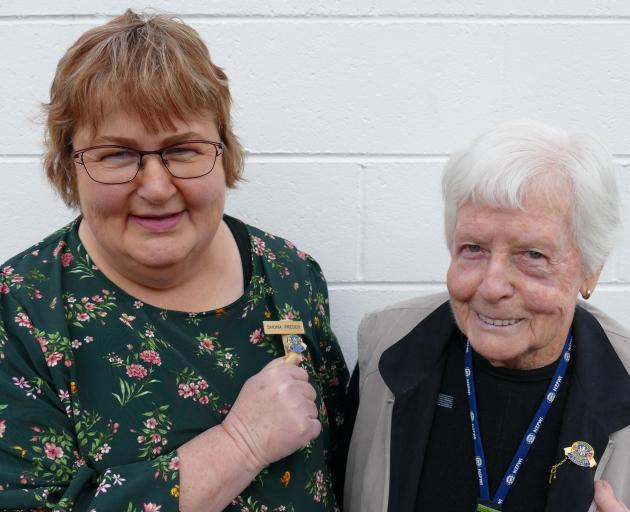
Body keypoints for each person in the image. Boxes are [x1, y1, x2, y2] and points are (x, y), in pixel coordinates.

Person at [0, 10, 348, 512]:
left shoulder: (290, 275)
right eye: (117, 155)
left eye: (182, 149)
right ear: (69, 165)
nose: (158, 188)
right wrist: (241, 444)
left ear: (222, 151)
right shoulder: (23, 311)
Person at [343, 121, 630, 511]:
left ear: (590, 271)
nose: (492, 287)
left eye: (532, 255)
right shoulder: (383, 351)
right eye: (473, 248)